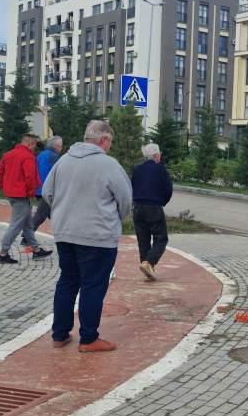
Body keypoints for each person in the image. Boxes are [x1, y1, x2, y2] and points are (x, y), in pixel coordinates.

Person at [42, 120, 133, 352]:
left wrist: (64, 215)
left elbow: (47, 194)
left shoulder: (63, 161)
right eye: (110, 142)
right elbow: (125, 201)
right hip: (96, 236)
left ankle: (60, 335)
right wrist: (116, 219)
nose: (110, 147)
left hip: (64, 233)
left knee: (67, 282)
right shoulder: (109, 165)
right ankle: (89, 338)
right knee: (92, 286)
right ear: (104, 139)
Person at [0, 134, 52, 264]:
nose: (34, 149)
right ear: (30, 144)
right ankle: (3, 254)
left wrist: (3, 186)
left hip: (13, 194)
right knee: (15, 225)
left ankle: (37, 250)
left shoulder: (8, 154)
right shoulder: (28, 157)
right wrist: (32, 192)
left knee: (28, 224)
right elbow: (30, 176)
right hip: (22, 195)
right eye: (35, 146)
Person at [131, 143, 173, 281]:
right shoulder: (159, 168)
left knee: (143, 240)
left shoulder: (137, 169)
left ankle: (148, 273)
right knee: (161, 238)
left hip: (138, 207)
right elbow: (168, 189)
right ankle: (148, 263)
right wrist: (162, 202)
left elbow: (133, 187)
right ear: (156, 155)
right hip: (154, 207)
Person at [21, 136, 62, 245]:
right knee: (41, 214)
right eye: (61, 146)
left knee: (52, 213)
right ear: (56, 146)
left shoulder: (40, 155)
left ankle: (64, 235)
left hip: (40, 189)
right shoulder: (54, 157)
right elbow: (60, 174)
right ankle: (26, 237)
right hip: (49, 191)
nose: (61, 149)